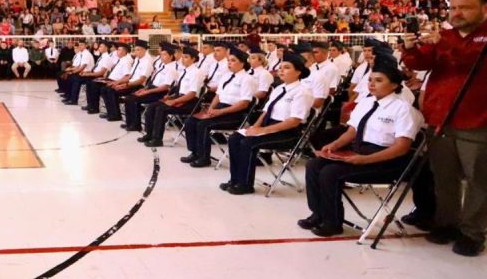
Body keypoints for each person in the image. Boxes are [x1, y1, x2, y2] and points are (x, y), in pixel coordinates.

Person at [402, 0, 487, 256]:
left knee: (479, 180)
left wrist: (443, 45)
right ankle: (447, 222)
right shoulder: (445, 36)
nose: (457, 13)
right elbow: (421, 63)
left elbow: (469, 61)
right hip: (441, 119)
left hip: (478, 121)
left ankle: (473, 231)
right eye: (453, 7)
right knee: (444, 177)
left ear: (484, 9)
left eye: (465, 7)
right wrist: (411, 47)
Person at [300, 58, 423, 237]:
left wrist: (365, 160)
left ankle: (332, 222)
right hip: (360, 152)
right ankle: (318, 213)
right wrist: (334, 145)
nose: (372, 84)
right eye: (371, 80)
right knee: (313, 165)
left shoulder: (402, 109)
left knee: (330, 173)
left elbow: (402, 148)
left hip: (387, 160)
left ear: (395, 85)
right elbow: (352, 131)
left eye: (379, 80)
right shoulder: (366, 103)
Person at [223, 52, 314, 195]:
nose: (281, 70)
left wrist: (262, 131)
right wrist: (255, 127)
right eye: (281, 67)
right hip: (269, 127)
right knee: (235, 138)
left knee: (248, 143)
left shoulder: (302, 93)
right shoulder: (279, 89)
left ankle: (245, 184)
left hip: (287, 132)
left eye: (287, 68)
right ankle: (235, 179)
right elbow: (265, 112)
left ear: (298, 72)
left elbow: (294, 121)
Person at [181, 47, 258, 168]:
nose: (229, 63)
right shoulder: (226, 76)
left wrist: (220, 111)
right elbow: (218, 95)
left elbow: (244, 103)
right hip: (220, 108)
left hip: (234, 113)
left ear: (242, 63)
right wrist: (211, 109)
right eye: (228, 61)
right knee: (190, 121)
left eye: (233, 60)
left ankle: (204, 157)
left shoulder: (247, 79)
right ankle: (195, 152)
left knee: (203, 125)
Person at [140, 45, 206, 147]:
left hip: (189, 102)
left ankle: (157, 139)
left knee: (160, 109)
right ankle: (149, 134)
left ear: (193, 59)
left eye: (186, 57)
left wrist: (175, 101)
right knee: (152, 106)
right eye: (183, 57)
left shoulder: (196, 73)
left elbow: (192, 94)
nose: (183, 59)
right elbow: (178, 89)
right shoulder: (184, 71)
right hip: (179, 98)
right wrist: (170, 97)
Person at [122, 42, 179, 132]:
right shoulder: (163, 66)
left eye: (164, 55)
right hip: (152, 88)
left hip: (160, 93)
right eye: (161, 55)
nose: (161, 57)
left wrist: (147, 92)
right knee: (130, 98)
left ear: (171, 56)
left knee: (133, 99)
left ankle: (135, 125)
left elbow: (165, 87)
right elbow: (152, 81)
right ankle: (131, 123)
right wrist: (144, 89)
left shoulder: (172, 69)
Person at [100, 40, 154, 121]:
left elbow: (141, 80)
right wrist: (117, 83)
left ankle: (115, 115)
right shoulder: (137, 60)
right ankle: (113, 113)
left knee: (111, 91)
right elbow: (130, 75)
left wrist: (125, 85)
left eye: (138, 50)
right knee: (107, 89)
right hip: (130, 83)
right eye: (135, 50)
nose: (135, 52)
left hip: (138, 86)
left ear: (144, 50)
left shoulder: (147, 62)